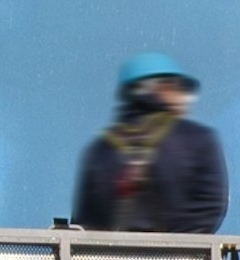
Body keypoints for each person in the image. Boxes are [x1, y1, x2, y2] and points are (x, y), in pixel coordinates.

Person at [74, 58, 228, 233]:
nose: (187, 98)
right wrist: (179, 248)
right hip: (178, 257)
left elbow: (85, 224)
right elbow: (211, 206)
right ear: (162, 88)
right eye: (181, 89)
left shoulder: (99, 151)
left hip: (113, 258)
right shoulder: (198, 139)